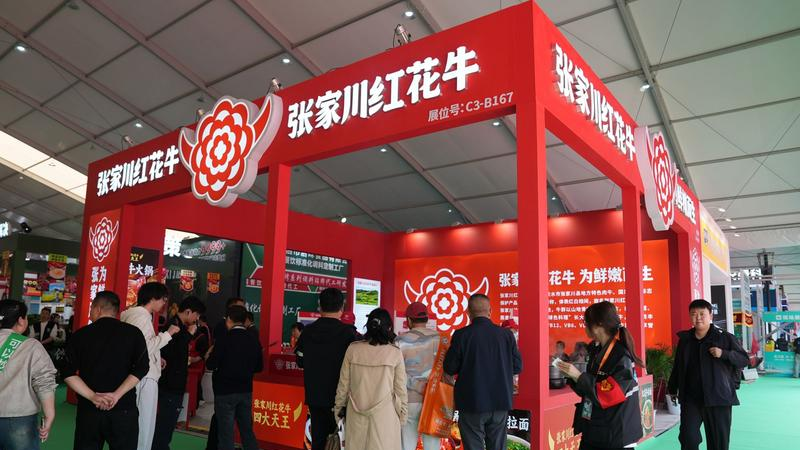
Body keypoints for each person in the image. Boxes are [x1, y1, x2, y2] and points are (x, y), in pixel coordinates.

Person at [63, 291, 149, 450]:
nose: (90, 313)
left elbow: (68, 373)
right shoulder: (133, 333)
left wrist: (93, 396)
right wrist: (116, 395)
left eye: (91, 309)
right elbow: (142, 368)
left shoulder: (80, 335)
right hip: (123, 408)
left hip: (89, 410)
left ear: (97, 309)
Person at [556, 301, 644, 450]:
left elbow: (609, 394)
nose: (585, 327)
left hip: (615, 433)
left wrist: (579, 376)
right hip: (596, 427)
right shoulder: (595, 350)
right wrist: (572, 377)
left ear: (598, 325)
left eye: (586, 323)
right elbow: (590, 389)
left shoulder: (620, 355)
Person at [443, 294, 522, 450]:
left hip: (471, 403)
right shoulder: (506, 335)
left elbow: (449, 368)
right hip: (500, 402)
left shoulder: (461, 335)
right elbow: (518, 366)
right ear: (490, 311)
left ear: (468, 312)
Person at [668, 299, 749, 450]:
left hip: (718, 397)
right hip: (691, 398)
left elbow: (744, 359)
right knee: (688, 438)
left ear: (711, 315)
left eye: (702, 314)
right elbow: (678, 366)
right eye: (694, 314)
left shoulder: (724, 338)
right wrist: (672, 388)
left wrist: (724, 354)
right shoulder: (685, 340)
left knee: (718, 443)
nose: (698, 317)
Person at [334, 308, 408, 450]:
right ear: (389, 328)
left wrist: (338, 412)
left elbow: (343, 386)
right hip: (386, 418)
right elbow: (400, 390)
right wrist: (402, 417)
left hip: (356, 415)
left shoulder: (353, 349)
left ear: (368, 326)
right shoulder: (394, 353)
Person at [295, 288, 358, 450]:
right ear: (341, 308)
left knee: (318, 440)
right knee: (339, 441)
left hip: (315, 397)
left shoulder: (307, 332)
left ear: (320, 307)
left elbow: (300, 361)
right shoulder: (349, 334)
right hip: (340, 399)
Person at [121, 282, 181, 450]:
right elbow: (145, 347)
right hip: (144, 377)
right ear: (153, 298)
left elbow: (140, 347)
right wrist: (168, 334)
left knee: (141, 422)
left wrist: (156, 358)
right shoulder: (141, 316)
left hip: (140, 375)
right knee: (144, 423)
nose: (164, 303)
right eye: (163, 299)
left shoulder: (134, 315)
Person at [0, 299, 57, 450]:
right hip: (19, 418)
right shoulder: (31, 346)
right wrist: (49, 414)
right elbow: (44, 381)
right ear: (20, 320)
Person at [152, 297, 206, 450]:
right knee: (165, 426)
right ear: (188, 311)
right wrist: (188, 335)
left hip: (173, 384)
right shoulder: (173, 326)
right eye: (196, 315)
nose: (197, 319)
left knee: (167, 426)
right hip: (170, 385)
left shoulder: (180, 326)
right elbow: (169, 353)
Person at [206, 305, 263, 450]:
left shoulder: (224, 338)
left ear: (229, 319)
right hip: (245, 390)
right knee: (247, 431)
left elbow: (211, 364)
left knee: (226, 435)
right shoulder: (253, 339)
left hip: (225, 391)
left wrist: (209, 356)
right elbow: (259, 367)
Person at [396, 302, 440, 450]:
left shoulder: (400, 341)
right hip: (433, 400)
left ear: (409, 320)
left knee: (407, 445)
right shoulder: (441, 339)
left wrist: (416, 385)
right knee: (432, 446)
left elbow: (397, 373)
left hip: (409, 400)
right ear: (427, 319)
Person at [205, 298, 246, 450]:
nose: (242, 311)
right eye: (239, 308)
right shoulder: (222, 327)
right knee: (221, 415)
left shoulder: (243, 331)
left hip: (235, 383)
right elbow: (217, 357)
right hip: (223, 380)